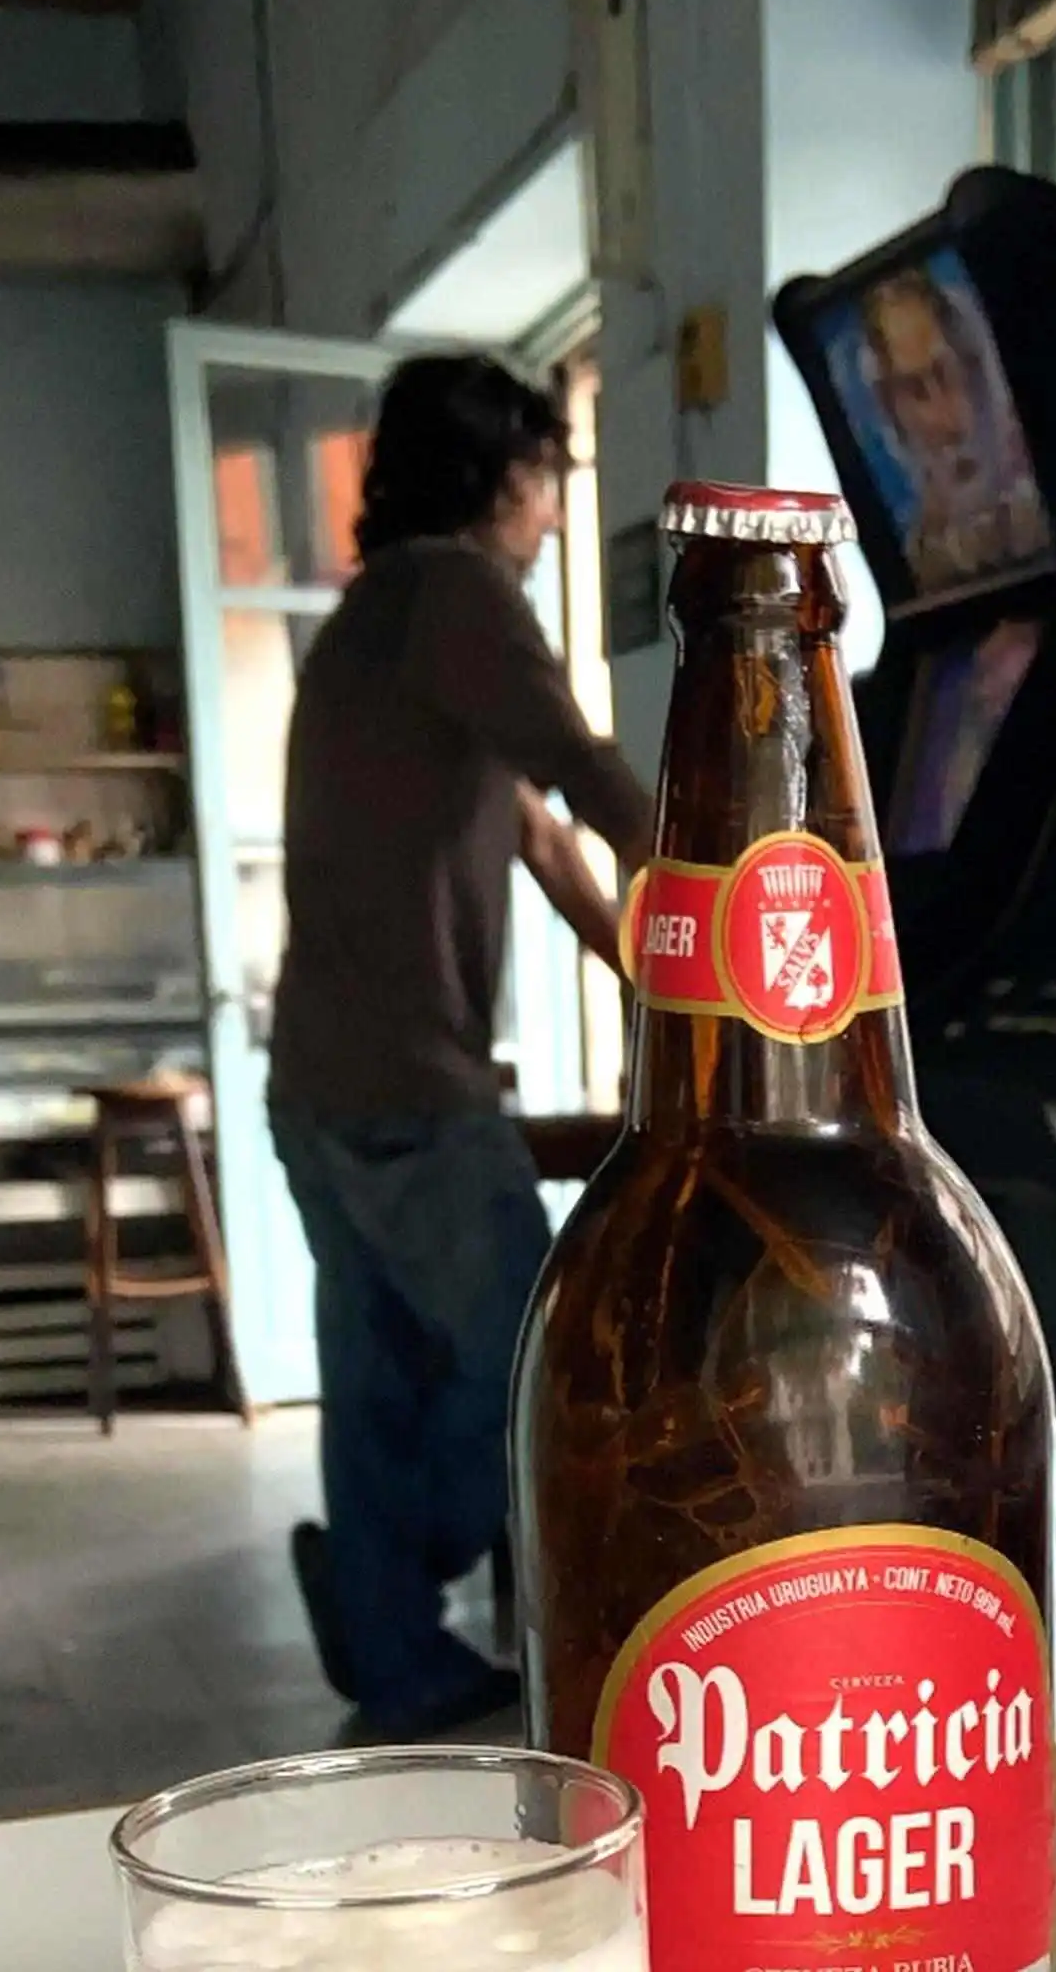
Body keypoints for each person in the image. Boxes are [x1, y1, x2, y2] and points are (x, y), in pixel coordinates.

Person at [269, 354, 653, 1741]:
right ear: (503, 474)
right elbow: (580, 769)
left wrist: (652, 971)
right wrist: (727, 891)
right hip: (408, 1089)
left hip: (316, 1081)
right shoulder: (457, 592)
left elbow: (540, 838)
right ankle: (391, 1578)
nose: (551, 510)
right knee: (534, 1368)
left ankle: (394, 1650)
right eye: (546, 478)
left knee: (378, 1379)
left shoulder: (369, 617)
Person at [858, 266, 1050, 595]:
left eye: (947, 373)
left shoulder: (1051, 504)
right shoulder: (914, 566)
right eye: (915, 390)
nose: (944, 419)